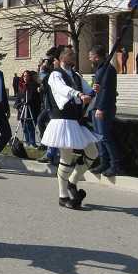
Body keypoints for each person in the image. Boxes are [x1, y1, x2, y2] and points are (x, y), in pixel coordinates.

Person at [40, 47, 101, 210]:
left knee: (93, 152)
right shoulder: (55, 74)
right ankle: (62, 195)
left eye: (73, 54)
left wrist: (93, 92)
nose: (72, 55)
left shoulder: (76, 75)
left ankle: (72, 181)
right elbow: (62, 90)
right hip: (62, 121)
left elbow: (87, 91)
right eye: (69, 54)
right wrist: (79, 95)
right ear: (61, 58)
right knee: (66, 157)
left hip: (76, 120)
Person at [88, 45, 120, 177]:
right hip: (96, 107)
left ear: (96, 57)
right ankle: (104, 162)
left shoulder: (108, 69)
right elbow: (100, 89)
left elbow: (107, 91)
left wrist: (101, 108)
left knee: (105, 137)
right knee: (99, 137)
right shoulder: (101, 68)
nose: (89, 59)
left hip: (104, 108)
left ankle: (115, 165)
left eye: (90, 56)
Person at [15, 70, 40, 148]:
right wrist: (17, 105)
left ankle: (32, 142)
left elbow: (33, 96)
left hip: (31, 109)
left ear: (30, 77)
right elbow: (18, 96)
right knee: (24, 126)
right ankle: (27, 141)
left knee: (30, 126)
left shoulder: (33, 85)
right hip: (22, 108)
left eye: (27, 76)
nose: (25, 77)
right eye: (24, 76)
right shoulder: (21, 85)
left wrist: (27, 101)